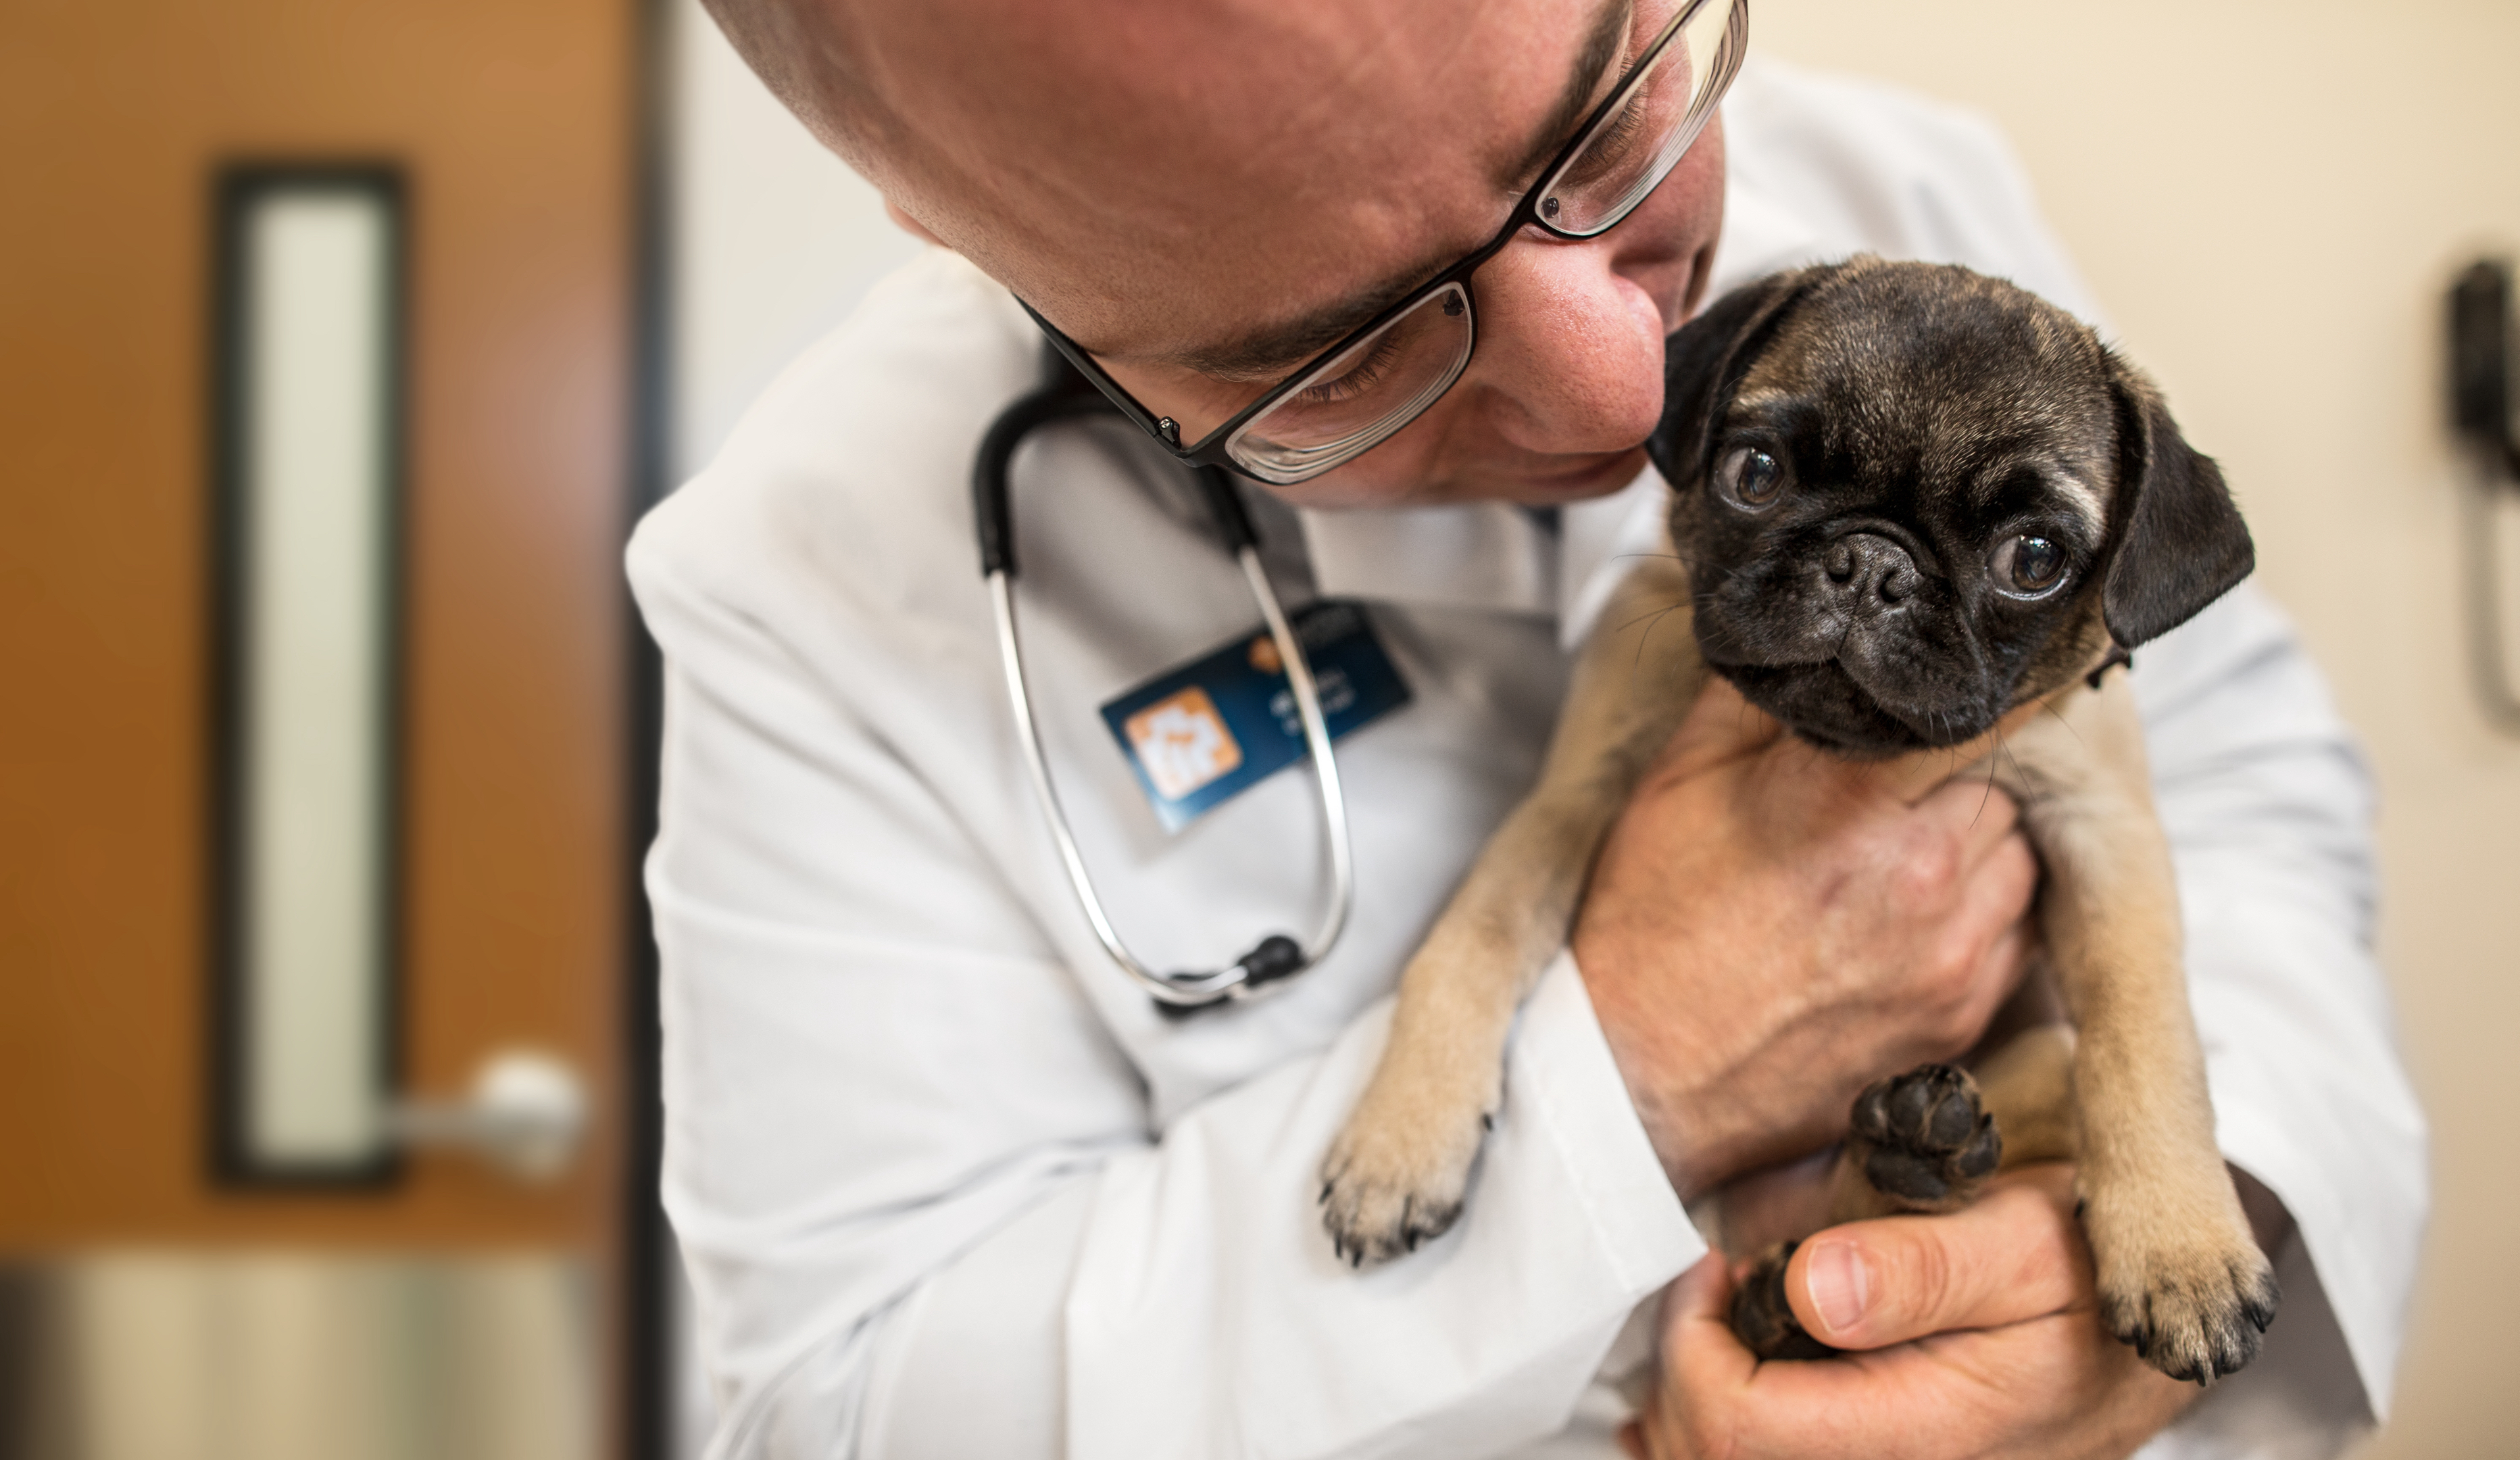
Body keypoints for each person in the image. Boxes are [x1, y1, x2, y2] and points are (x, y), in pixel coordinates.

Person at [629, 0, 2426, 1454]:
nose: (1620, 384)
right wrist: (1634, 1064)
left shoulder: (1924, 205)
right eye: (1342, 345)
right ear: (958, 215)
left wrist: (2190, 1219)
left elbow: (2246, 778)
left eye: (1608, 127)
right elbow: (840, 1415)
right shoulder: (797, 578)